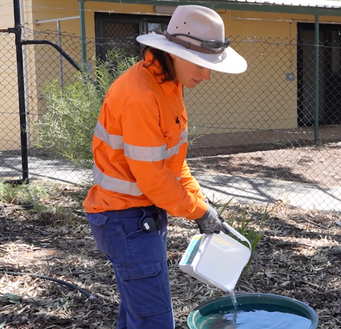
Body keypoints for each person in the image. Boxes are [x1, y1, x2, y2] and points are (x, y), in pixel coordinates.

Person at [82, 5, 246, 328]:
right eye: (202, 65)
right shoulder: (142, 97)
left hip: (136, 216)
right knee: (155, 322)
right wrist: (198, 212)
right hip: (124, 219)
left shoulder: (168, 86)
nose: (206, 75)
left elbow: (173, 164)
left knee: (136, 315)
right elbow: (155, 179)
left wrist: (203, 204)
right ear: (176, 53)